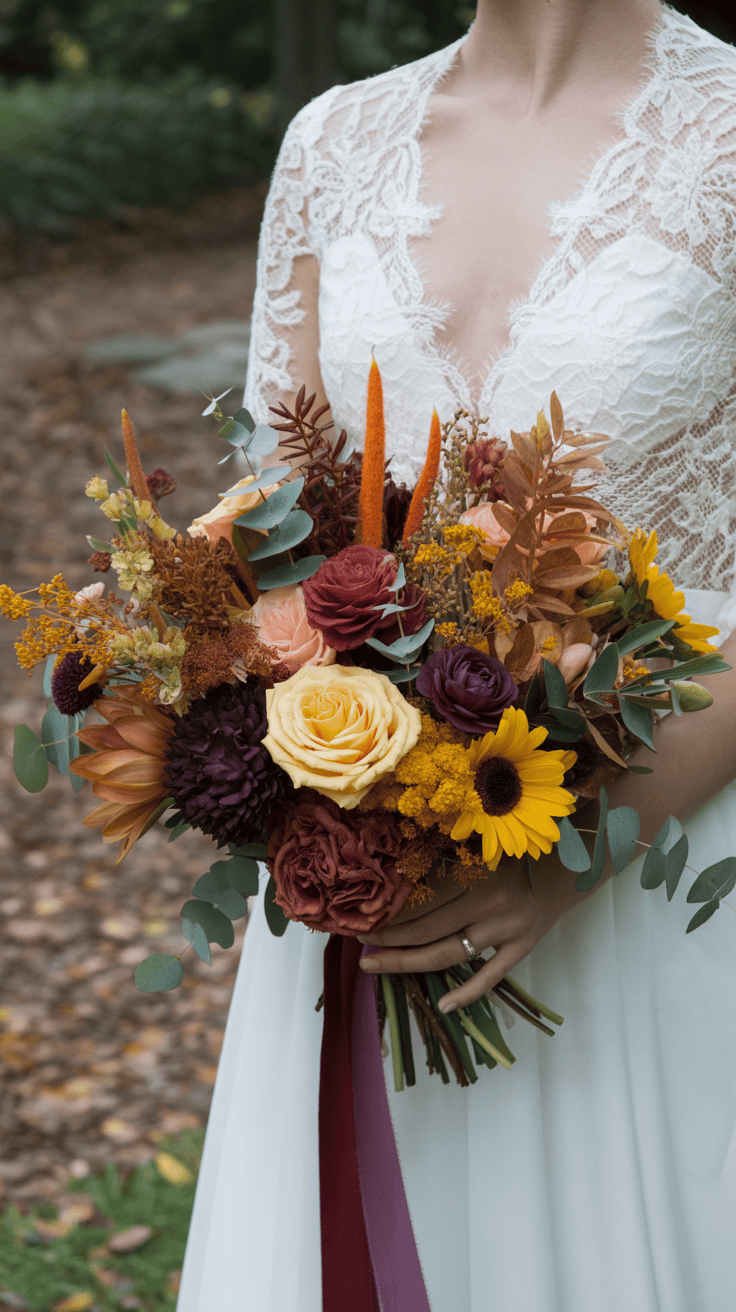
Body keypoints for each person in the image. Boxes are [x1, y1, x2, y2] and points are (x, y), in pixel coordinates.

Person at [177, 3, 736, 1308]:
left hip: (662, 847)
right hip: (373, 880)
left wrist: (586, 854)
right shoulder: (333, 142)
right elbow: (277, 528)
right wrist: (262, 748)